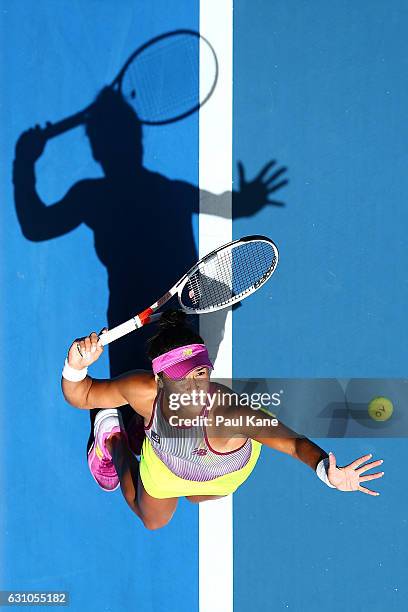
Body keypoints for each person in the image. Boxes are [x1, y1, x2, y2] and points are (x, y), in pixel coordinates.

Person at [61, 310, 384, 530]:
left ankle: (139, 431)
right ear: (158, 379)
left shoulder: (232, 415)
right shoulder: (142, 391)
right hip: (166, 464)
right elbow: (83, 395)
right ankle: (114, 438)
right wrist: (75, 366)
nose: (195, 386)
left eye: (200, 373)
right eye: (183, 378)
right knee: (154, 521)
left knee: (199, 495)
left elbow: (295, 443)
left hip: (224, 474)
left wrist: (324, 470)